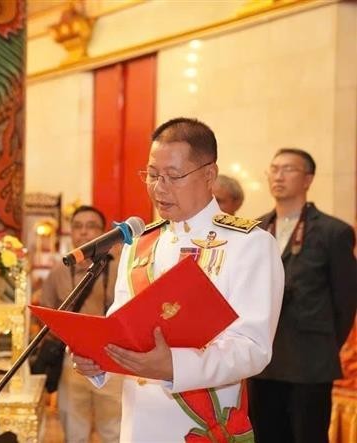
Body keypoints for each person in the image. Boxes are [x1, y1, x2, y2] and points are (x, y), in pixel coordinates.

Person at [71, 117, 285, 442]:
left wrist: (173, 366)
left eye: (173, 176)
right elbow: (123, 327)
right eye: (152, 175)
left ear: (209, 174)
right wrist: (97, 360)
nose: (159, 188)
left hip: (204, 426)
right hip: (139, 425)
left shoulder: (249, 243)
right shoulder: (140, 243)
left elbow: (252, 348)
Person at [248, 148, 357, 443]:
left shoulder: (334, 232)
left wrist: (323, 343)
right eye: (274, 169)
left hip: (310, 363)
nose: (278, 176)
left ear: (308, 179)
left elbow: (345, 302)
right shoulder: (254, 230)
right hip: (263, 363)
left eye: (288, 169)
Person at [40, 205, 122, 443]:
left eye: (91, 226)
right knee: (74, 431)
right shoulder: (58, 271)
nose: (84, 233)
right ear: (71, 233)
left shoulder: (119, 268)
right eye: (78, 227)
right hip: (71, 358)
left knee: (113, 431)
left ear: (103, 232)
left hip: (112, 359)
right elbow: (45, 313)